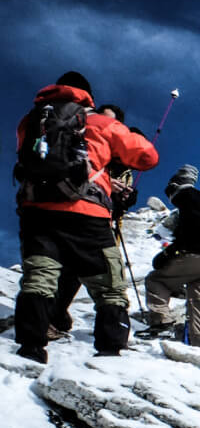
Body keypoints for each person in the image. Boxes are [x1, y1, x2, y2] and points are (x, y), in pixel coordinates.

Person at [12, 72, 158, 361]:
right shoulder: (101, 123)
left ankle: (31, 347)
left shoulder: (31, 121)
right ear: (88, 95)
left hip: (37, 213)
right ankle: (109, 350)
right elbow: (148, 157)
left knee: (39, 278)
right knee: (109, 285)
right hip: (87, 213)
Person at [45, 103, 140, 341]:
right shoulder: (77, 140)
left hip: (98, 220)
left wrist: (126, 197)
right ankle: (49, 316)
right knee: (65, 267)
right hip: (70, 212)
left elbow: (120, 202)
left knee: (77, 271)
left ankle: (54, 315)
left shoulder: (119, 161)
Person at [138, 165, 200, 346]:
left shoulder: (187, 197)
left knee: (156, 280)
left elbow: (193, 227)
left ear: (175, 187)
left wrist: (169, 252)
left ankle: (161, 324)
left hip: (199, 255)